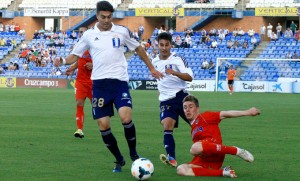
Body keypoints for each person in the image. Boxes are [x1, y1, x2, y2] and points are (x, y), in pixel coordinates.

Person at [54, 0, 163, 173]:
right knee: (103, 125)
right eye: (103, 17)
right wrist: (61, 60)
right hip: (99, 85)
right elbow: (75, 55)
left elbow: (138, 49)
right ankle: (119, 159)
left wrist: (151, 68)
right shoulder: (89, 35)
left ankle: (134, 154)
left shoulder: (121, 31)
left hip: (119, 82)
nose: (106, 20)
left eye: (109, 17)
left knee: (126, 118)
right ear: (97, 16)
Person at [177, 95, 261, 178]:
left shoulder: (205, 116)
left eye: (190, 107)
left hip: (216, 153)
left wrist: (248, 112)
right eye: (185, 107)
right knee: (181, 169)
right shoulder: (193, 129)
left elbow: (225, 114)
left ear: (197, 109)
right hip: (204, 158)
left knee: (194, 148)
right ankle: (224, 172)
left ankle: (236, 150)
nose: (187, 110)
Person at [151, 32, 193, 167]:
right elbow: (159, 79)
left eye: (166, 45)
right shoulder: (154, 61)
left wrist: (174, 72)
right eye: (161, 45)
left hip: (181, 97)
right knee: (167, 125)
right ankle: (172, 158)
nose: (163, 48)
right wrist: (160, 92)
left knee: (197, 125)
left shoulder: (178, 59)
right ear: (158, 45)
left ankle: (208, 150)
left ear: (171, 45)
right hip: (165, 100)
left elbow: (189, 77)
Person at [64, 50, 93, 138]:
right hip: (80, 82)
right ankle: (79, 129)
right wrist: (71, 69)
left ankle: (104, 127)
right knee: (79, 103)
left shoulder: (97, 45)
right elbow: (78, 62)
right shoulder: (81, 46)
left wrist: (94, 66)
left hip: (94, 81)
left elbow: (104, 63)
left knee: (96, 106)